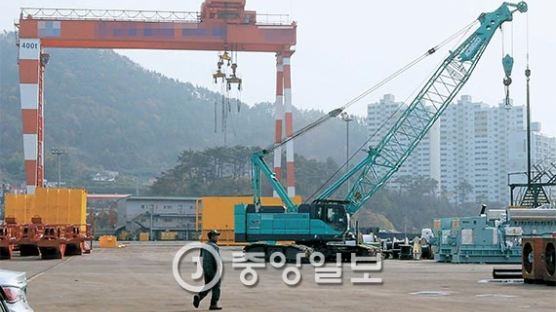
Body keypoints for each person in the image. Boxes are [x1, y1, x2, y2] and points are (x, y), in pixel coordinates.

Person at [193, 229, 222, 310]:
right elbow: (217, 260)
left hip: (206, 269)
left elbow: (200, 257)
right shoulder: (215, 247)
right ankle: (213, 304)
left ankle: (199, 297)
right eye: (216, 236)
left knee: (208, 285)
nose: (217, 237)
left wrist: (204, 269)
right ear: (212, 236)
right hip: (213, 269)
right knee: (216, 287)